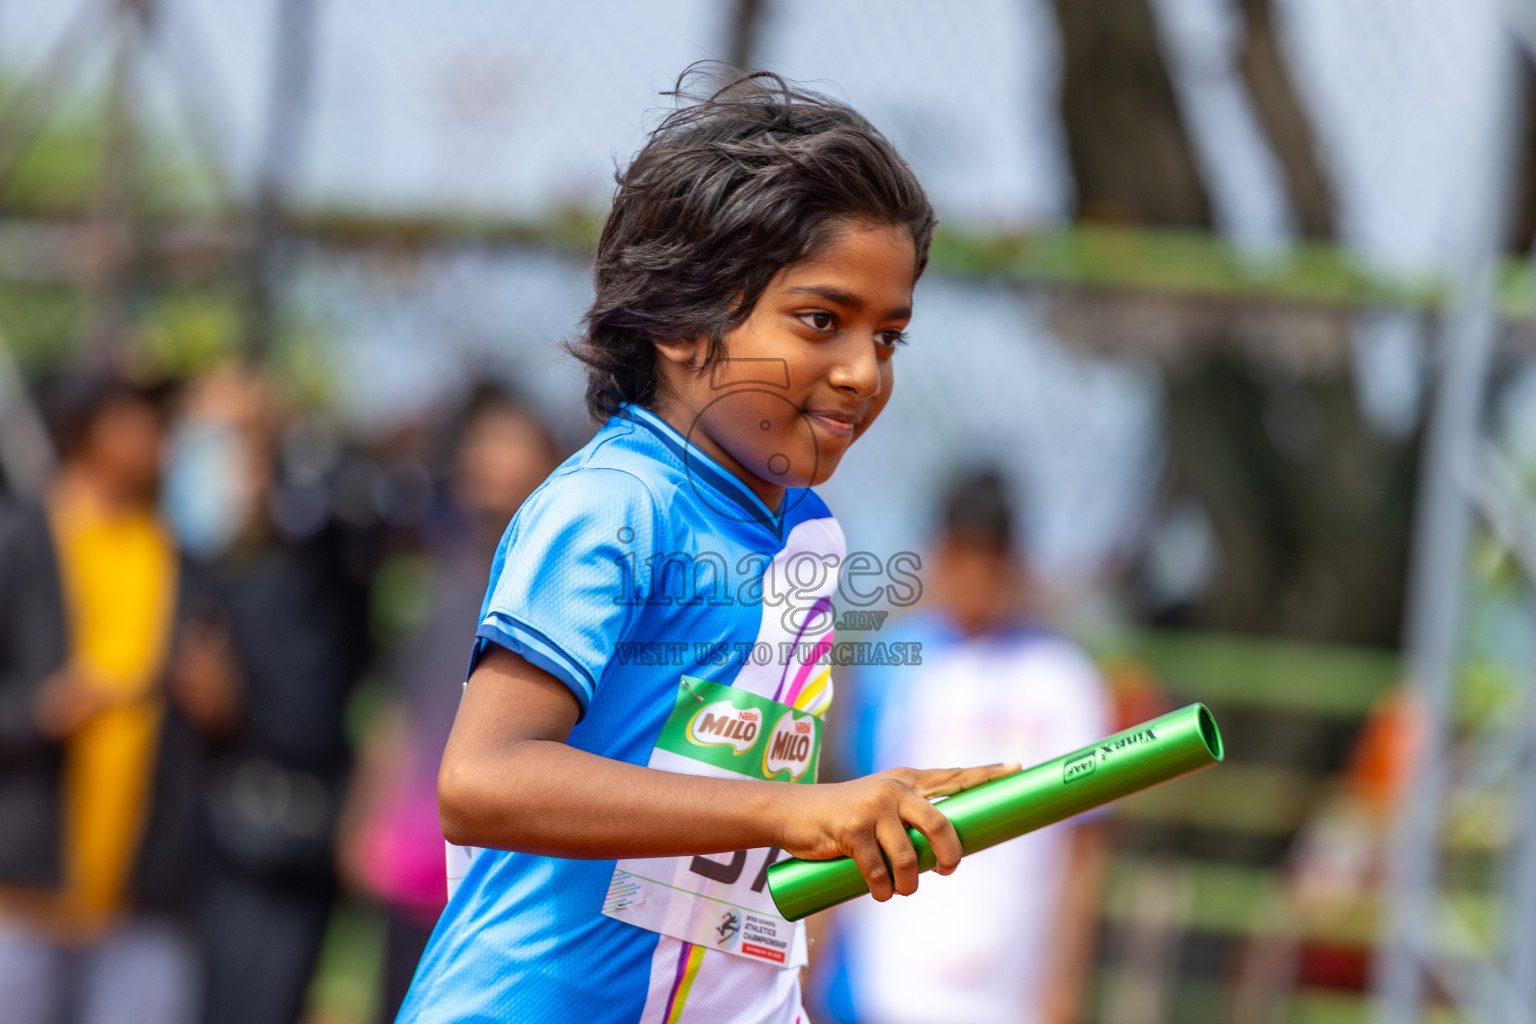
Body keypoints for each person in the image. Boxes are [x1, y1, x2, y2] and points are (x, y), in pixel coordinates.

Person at [395, 65, 1019, 1024]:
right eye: (822, 321)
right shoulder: (614, 504)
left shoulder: (808, 531)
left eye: (889, 336)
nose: (862, 372)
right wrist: (792, 812)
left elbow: (724, 844)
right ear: (686, 322)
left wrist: (854, 824)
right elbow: (483, 779)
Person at [818, 469, 1112, 1024]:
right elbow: (844, 814)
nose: (977, 576)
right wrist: (815, 956)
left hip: (1009, 988)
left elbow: (1084, 848)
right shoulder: (895, 660)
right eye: (964, 555)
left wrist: (1064, 987)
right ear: (940, 553)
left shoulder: (1064, 677)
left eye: (991, 557)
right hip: (883, 978)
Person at [159, 363, 376, 1024]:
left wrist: (234, 704)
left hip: (271, 850)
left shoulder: (314, 565)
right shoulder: (162, 557)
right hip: (160, 863)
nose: (220, 462)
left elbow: (315, 710)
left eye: (241, 440)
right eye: (204, 438)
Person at [339, 382, 561, 1023]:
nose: (489, 458)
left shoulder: (566, 591)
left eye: (510, 442)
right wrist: (365, 819)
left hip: (511, 885)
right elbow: (397, 710)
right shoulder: (432, 583)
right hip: (415, 871)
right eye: (481, 444)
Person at [0, 369, 215, 1024]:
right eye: (138, 421)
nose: (159, 440)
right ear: (85, 431)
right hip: (23, 890)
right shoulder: (21, 544)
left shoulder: (179, 555)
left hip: (144, 897)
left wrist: (217, 698)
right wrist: (39, 713)